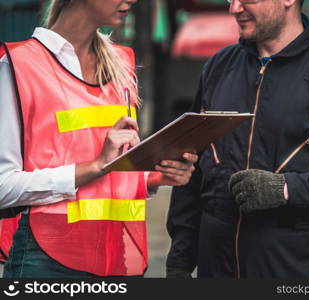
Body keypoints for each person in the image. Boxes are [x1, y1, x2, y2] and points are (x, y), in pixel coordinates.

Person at [165, 0, 309, 278]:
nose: (234, 8)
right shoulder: (218, 68)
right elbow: (191, 170)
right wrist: (179, 263)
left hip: (296, 269)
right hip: (217, 270)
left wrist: (287, 189)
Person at [0, 0, 197, 277]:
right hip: (45, 262)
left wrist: (152, 177)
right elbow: (2, 187)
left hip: (116, 258)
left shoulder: (123, 64)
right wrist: (94, 166)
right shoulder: (18, 65)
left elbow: (112, 172)